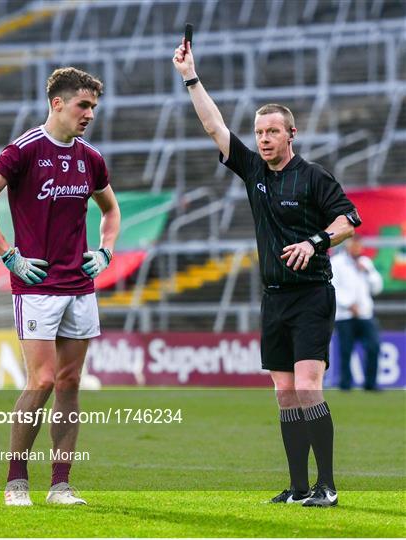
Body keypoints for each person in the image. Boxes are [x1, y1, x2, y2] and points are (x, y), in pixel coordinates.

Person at [173, 38, 362, 507]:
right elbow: (214, 126)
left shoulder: (315, 176)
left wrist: (315, 241)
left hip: (312, 294)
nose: (263, 139)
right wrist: (190, 77)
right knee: (283, 393)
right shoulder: (253, 171)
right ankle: (299, 487)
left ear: (291, 134)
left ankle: (328, 486)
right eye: (259, 132)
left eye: (272, 132)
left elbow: (349, 222)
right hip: (273, 297)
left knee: (307, 386)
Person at [0, 67, 121, 506]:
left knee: (70, 381)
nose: (89, 113)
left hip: (80, 286)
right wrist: (8, 255)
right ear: (58, 103)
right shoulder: (25, 150)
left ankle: (60, 485)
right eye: (82, 105)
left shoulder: (91, 157)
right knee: (44, 379)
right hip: (36, 286)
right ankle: (16, 481)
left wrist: (106, 252)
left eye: (93, 106)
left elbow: (111, 211)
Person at [331, 235, 383, 391]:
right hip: (345, 316)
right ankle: (345, 384)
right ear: (347, 245)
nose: (357, 248)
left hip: (365, 314)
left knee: (374, 347)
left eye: (359, 245)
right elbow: (333, 287)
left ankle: (370, 383)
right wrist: (348, 305)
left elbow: (377, 288)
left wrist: (368, 272)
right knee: (346, 350)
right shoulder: (337, 263)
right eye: (354, 245)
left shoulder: (366, 263)